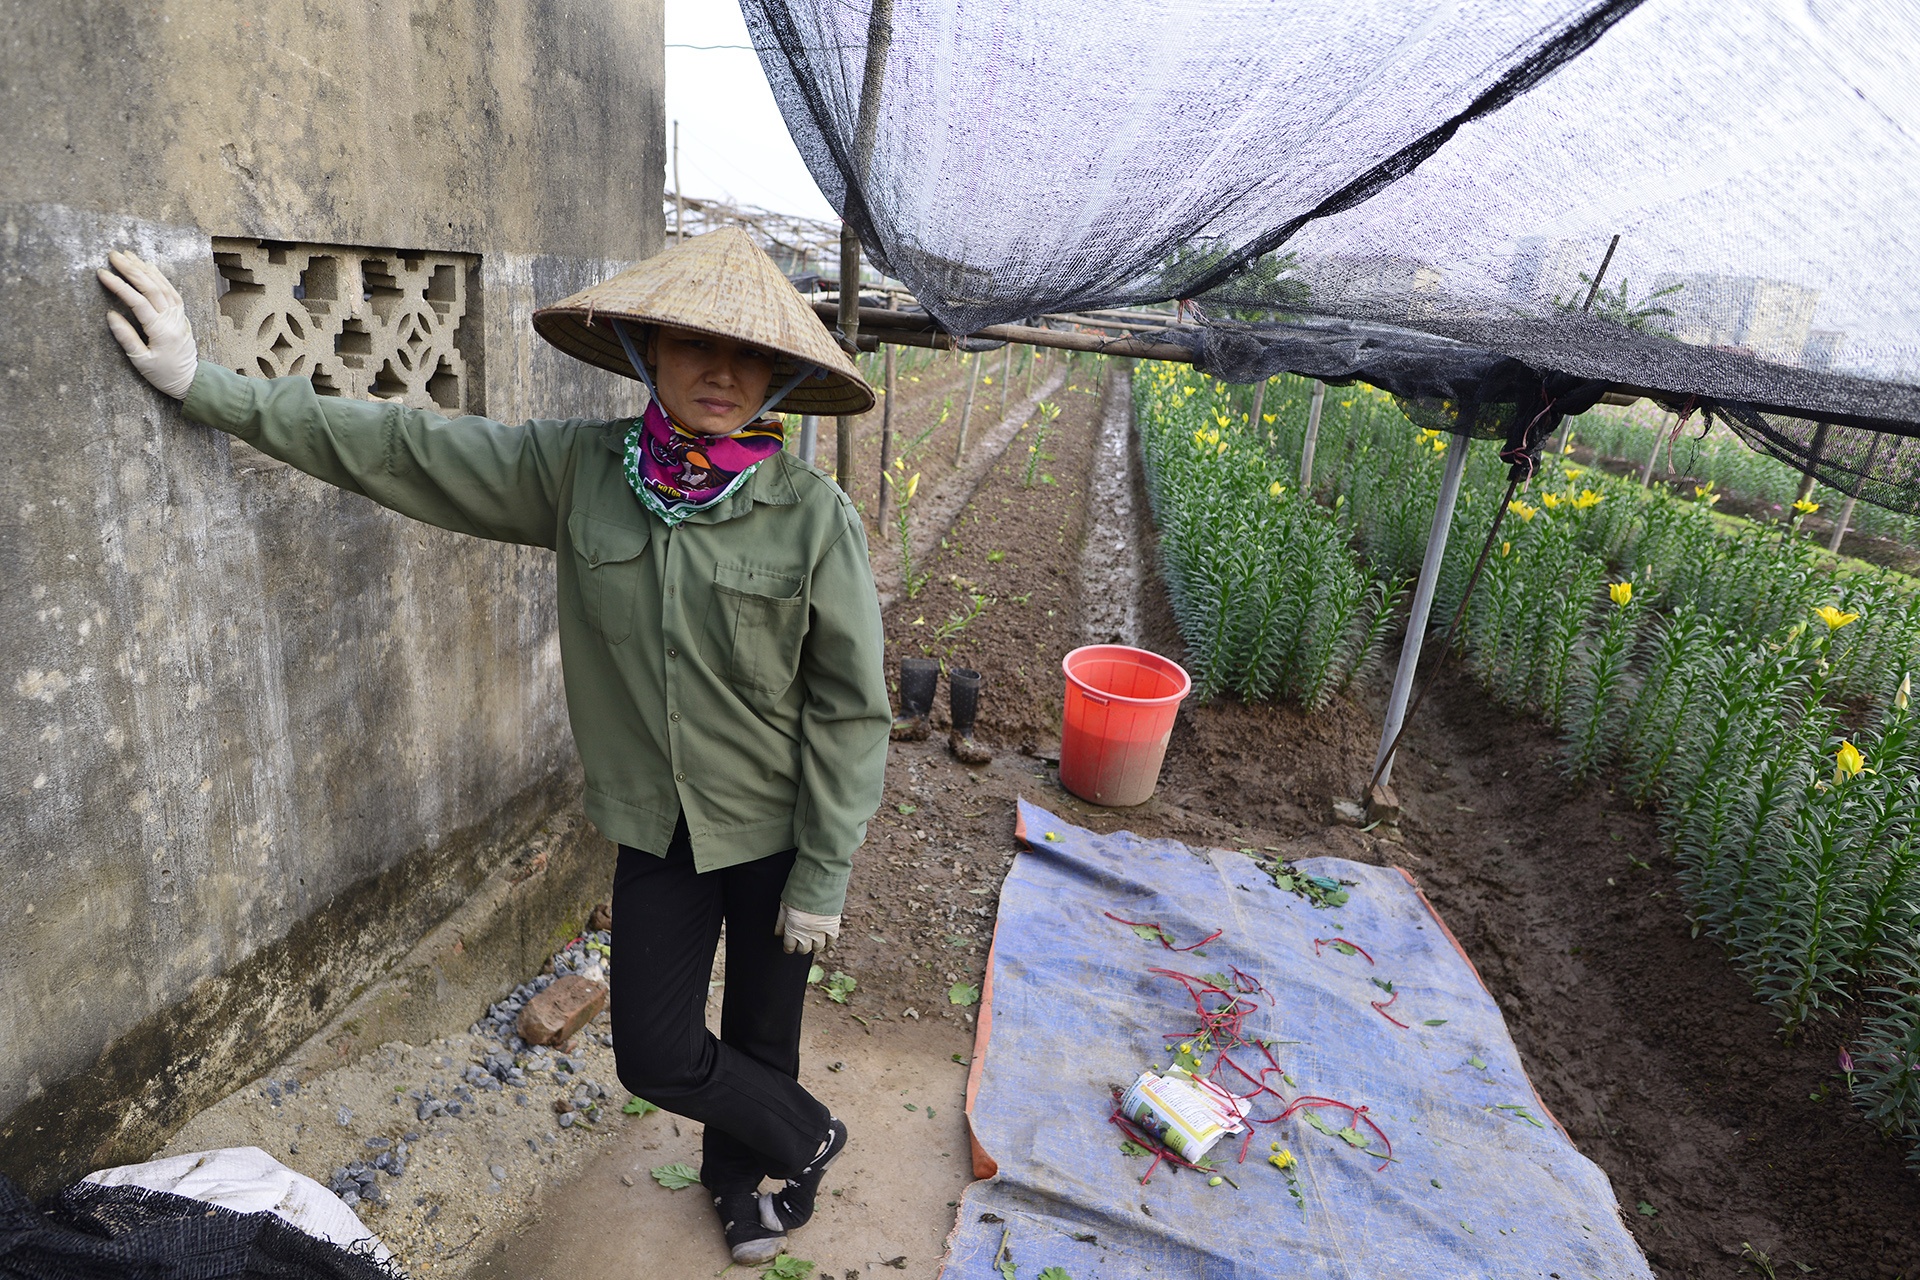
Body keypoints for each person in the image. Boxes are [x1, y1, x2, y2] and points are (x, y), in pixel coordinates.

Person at [98, 228, 891, 1266]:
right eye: (697, 345)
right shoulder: (580, 474)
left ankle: (738, 1183)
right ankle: (806, 1132)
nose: (723, 372)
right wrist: (206, 384)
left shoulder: (811, 516)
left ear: (781, 374)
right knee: (656, 1051)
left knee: (759, 1031)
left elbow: (848, 706)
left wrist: (825, 867)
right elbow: (401, 449)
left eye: (748, 355)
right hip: (660, 826)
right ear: (650, 348)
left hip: (782, 828)